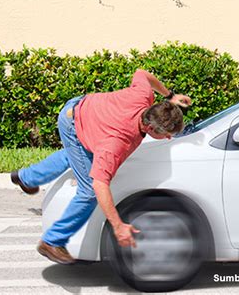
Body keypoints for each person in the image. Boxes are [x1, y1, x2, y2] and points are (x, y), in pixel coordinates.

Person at [10, 69, 192, 264]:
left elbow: (141, 73)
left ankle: (25, 177)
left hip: (84, 109)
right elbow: (99, 185)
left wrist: (170, 96)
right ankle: (52, 241)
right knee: (88, 190)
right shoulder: (115, 144)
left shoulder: (143, 96)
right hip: (73, 122)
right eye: (165, 134)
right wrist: (118, 226)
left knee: (75, 156)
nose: (168, 138)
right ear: (149, 127)